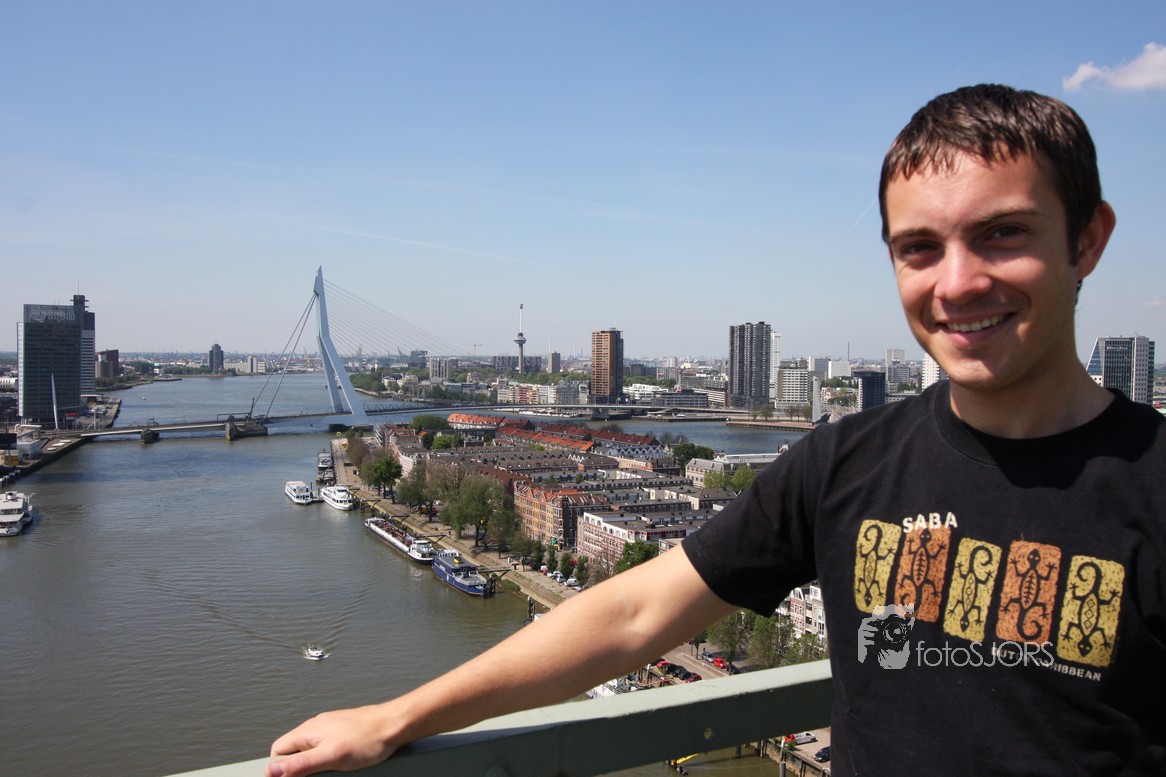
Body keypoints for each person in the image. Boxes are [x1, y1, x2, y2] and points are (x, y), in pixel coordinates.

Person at [267, 85, 1165, 776]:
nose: (958, 282)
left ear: (1088, 239)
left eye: (1003, 234)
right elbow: (633, 613)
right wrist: (397, 716)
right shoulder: (845, 463)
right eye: (919, 247)